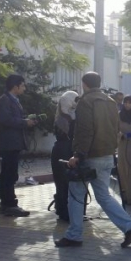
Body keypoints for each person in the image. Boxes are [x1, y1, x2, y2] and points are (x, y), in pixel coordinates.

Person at [56, 72, 131, 248]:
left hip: (90, 156)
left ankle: (74, 235)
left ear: (84, 84)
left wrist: (78, 155)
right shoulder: (110, 102)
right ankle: (129, 226)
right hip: (107, 155)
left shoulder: (85, 102)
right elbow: (115, 128)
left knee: (76, 195)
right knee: (103, 195)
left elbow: (85, 131)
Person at [0, 74, 36, 217]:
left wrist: (26, 121)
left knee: (11, 174)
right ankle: (8, 205)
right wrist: (24, 122)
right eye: (23, 85)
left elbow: (13, 119)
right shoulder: (5, 100)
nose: (24, 88)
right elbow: (5, 120)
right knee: (7, 175)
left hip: (14, 143)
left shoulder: (14, 100)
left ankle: (9, 204)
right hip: (8, 144)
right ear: (15, 86)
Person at [50, 91, 79, 221]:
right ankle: (64, 212)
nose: (76, 103)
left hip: (67, 151)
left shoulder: (71, 115)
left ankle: (69, 212)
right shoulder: (63, 118)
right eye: (74, 100)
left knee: (70, 183)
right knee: (62, 183)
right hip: (63, 152)